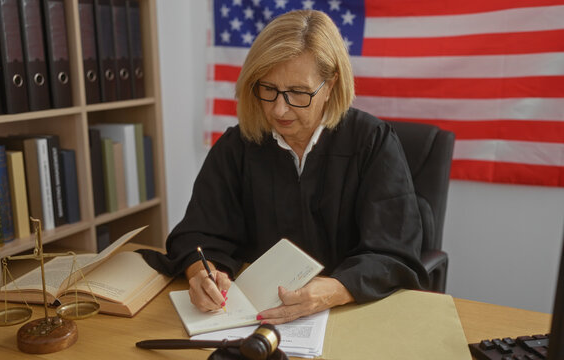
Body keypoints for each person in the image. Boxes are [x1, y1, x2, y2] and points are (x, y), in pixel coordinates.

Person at [140, 9, 428, 325]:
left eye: (298, 93)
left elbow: (393, 254)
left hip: (351, 315)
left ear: (330, 85)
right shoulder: (239, 146)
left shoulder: (372, 143)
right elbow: (198, 234)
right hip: (254, 319)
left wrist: (335, 289)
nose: (279, 108)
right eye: (268, 89)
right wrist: (202, 273)